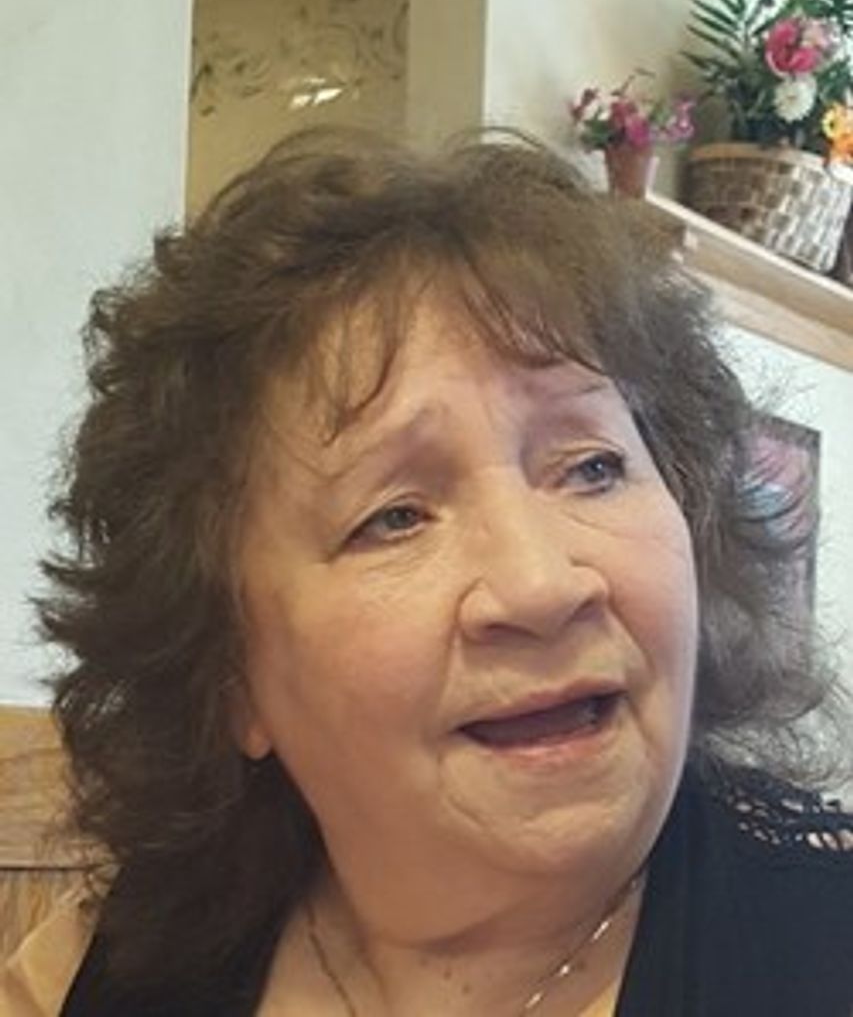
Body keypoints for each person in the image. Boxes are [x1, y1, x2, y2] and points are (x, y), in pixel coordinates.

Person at [2, 126, 851, 1017]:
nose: (541, 586)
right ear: (226, 671)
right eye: (394, 517)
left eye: (592, 467)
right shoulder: (91, 971)